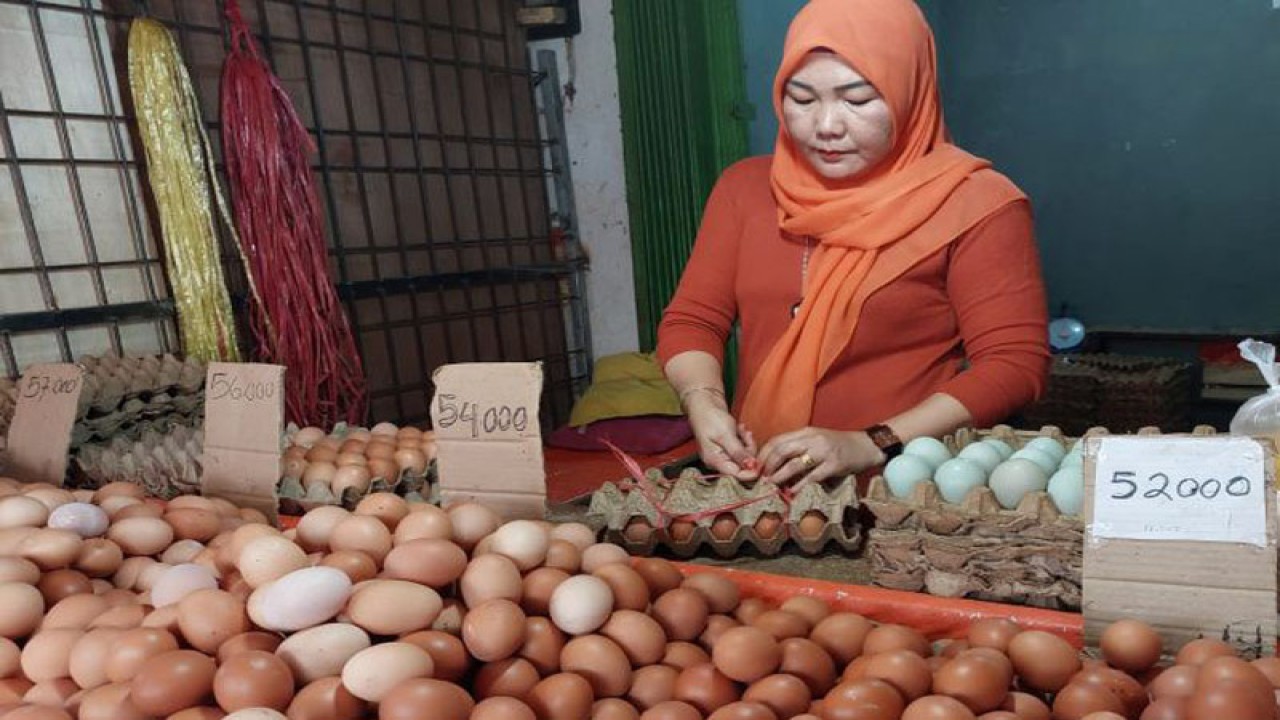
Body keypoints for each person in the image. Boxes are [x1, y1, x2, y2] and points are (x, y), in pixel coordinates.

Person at [656, 0, 1050, 487]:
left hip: (904, 488)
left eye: (858, 100)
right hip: (761, 485)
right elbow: (693, 319)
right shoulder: (744, 189)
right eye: (801, 99)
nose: (826, 126)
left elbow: (1013, 365)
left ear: (910, 91)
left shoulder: (976, 203)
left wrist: (870, 441)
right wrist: (704, 402)